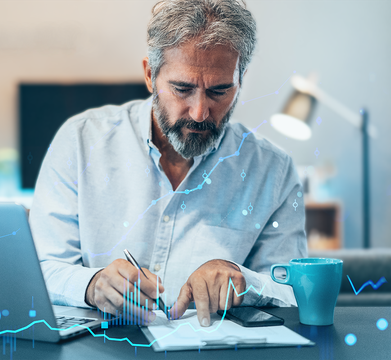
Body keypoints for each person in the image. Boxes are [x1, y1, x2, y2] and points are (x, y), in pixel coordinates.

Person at [29, 0, 307, 327]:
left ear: (239, 80)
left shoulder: (273, 172)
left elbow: (294, 289)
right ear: (150, 75)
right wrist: (92, 285)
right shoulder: (80, 142)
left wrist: (243, 280)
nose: (200, 112)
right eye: (182, 89)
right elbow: (40, 268)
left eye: (219, 91)